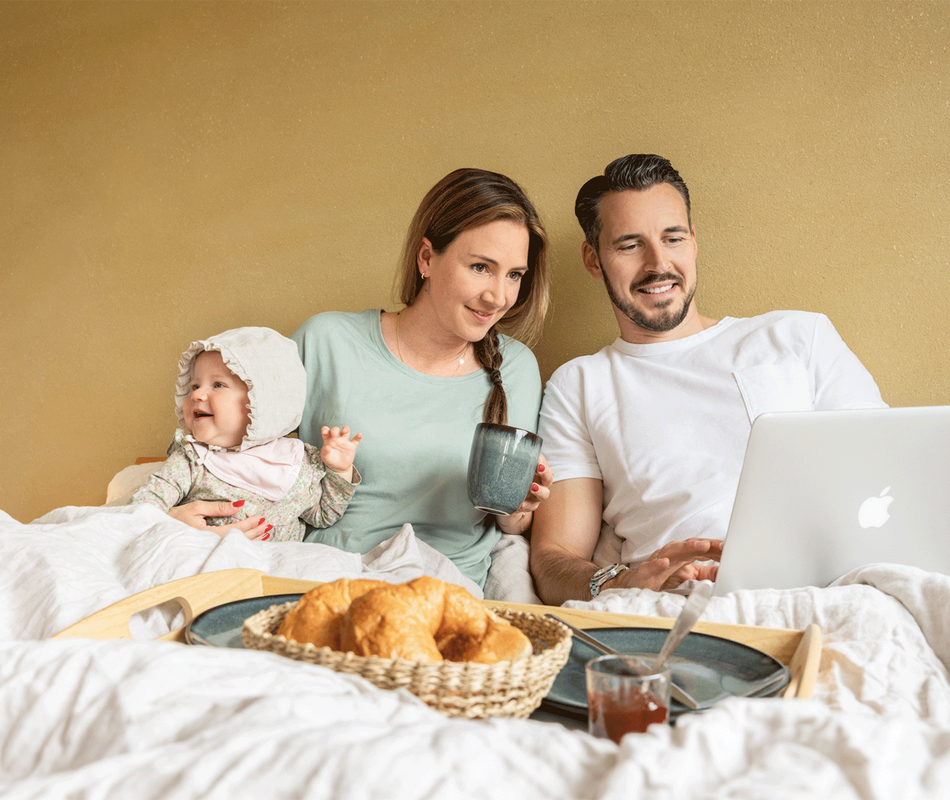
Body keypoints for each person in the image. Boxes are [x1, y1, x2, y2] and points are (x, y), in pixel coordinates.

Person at [530, 154, 886, 605]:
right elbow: (553, 558)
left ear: (694, 242)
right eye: (629, 245)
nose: (658, 264)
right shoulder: (579, 385)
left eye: (672, 237)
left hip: (831, 589)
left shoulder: (800, 336)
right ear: (594, 260)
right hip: (686, 609)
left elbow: (884, 478)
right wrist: (620, 581)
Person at [291, 168, 553, 590]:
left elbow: (510, 524)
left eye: (514, 275)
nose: (498, 296)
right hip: (325, 579)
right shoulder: (325, 342)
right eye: (481, 267)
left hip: (443, 592)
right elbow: (251, 469)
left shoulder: (516, 368)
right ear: (427, 258)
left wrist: (522, 504)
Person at [133, 326, 362, 542]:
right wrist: (174, 526)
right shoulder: (193, 459)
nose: (197, 395)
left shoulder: (299, 463)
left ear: (264, 402)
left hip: (274, 570)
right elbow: (146, 506)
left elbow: (324, 516)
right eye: (194, 386)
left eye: (218, 385)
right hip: (205, 560)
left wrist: (339, 471)